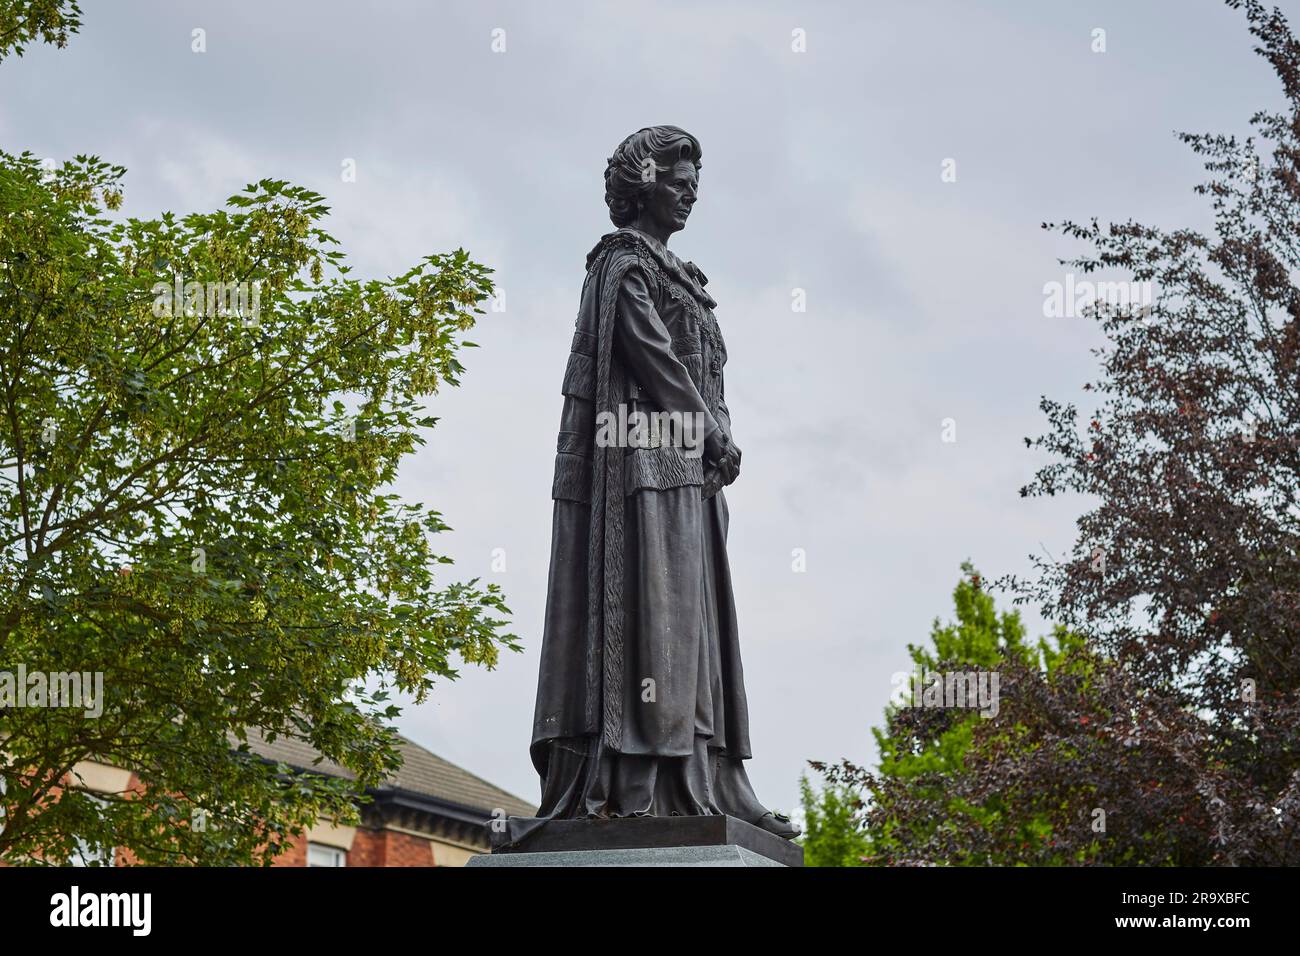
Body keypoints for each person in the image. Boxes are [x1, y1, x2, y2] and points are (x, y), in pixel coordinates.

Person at [517, 125, 797, 841]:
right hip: (641, 466)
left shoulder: (688, 279)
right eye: (678, 184)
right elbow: (651, 355)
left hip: (694, 479)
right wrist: (708, 428)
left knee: (698, 623)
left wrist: (716, 438)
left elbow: (706, 370)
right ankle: (639, 774)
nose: (689, 197)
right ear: (643, 182)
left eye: (695, 188)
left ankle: (711, 774)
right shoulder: (622, 265)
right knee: (654, 611)